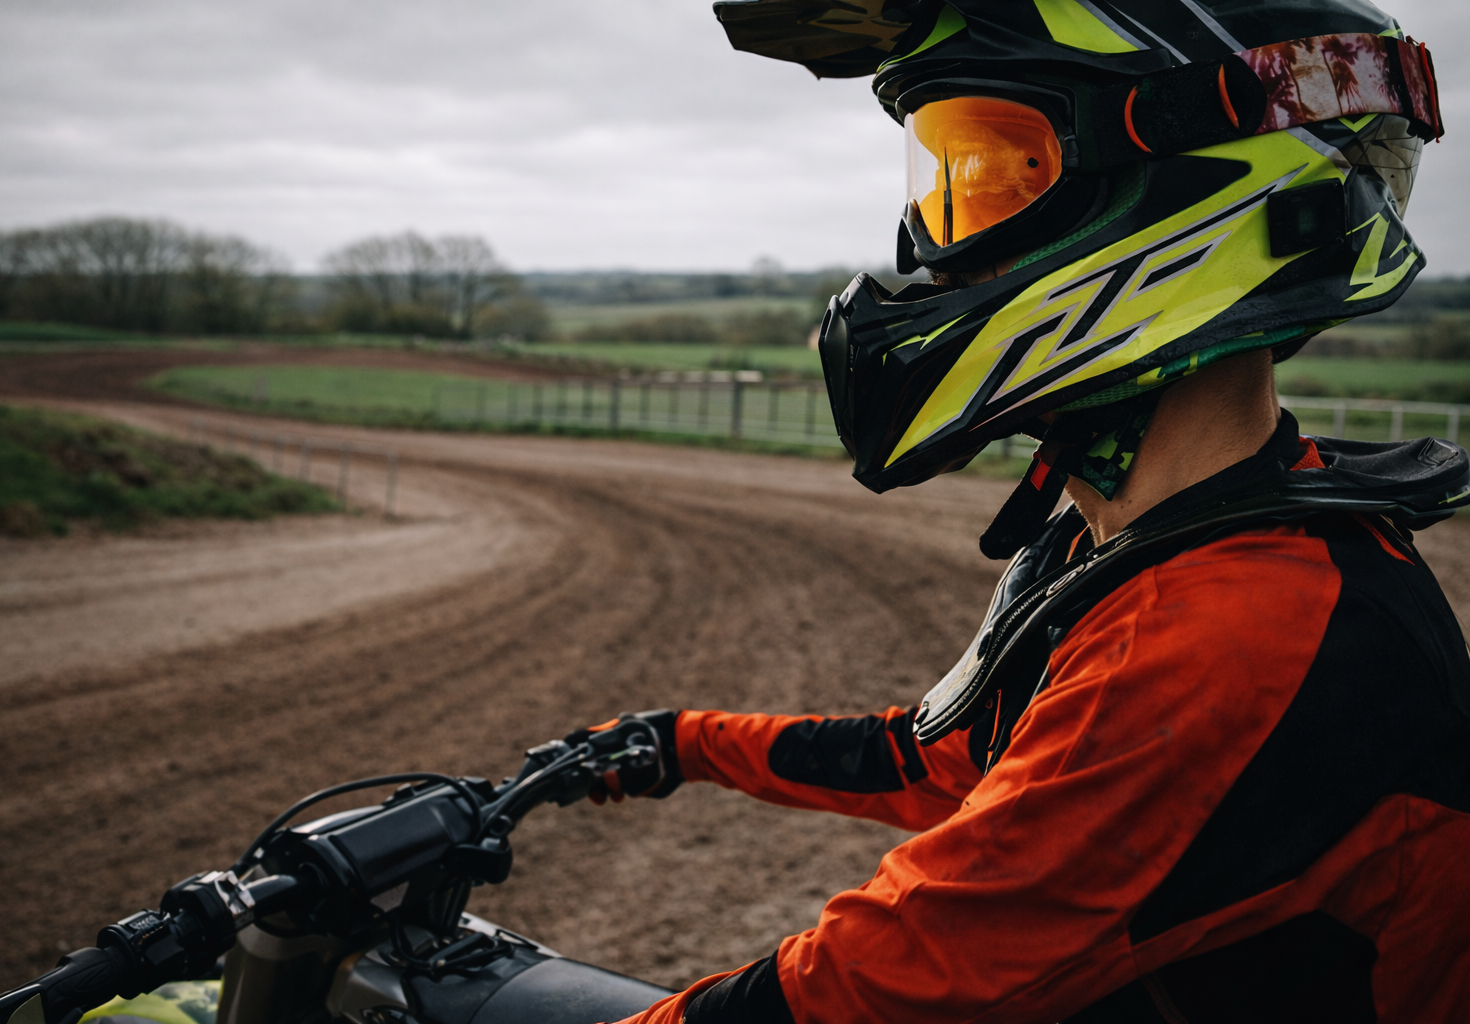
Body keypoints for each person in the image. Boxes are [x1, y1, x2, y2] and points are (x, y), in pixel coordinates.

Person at [561, 1, 1470, 1021]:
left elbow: (865, 983)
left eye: (996, 174)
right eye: (941, 179)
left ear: (1186, 198)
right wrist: (680, 741)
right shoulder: (1144, 542)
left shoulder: (1231, 631)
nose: (936, 248)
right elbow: (937, 753)